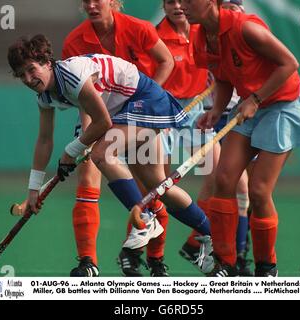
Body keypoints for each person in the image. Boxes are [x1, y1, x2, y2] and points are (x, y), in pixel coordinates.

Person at [8, 34, 214, 277]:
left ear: (47, 62)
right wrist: (34, 190)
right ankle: (214, 237)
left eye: (32, 69)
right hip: (125, 112)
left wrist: (69, 152)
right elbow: (44, 140)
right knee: (158, 188)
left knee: (101, 154)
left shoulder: (70, 75)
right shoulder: (44, 96)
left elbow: (102, 122)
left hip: (144, 100)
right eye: (22, 75)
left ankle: (147, 221)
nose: (29, 79)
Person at [181, 0, 300, 276]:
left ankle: (266, 267)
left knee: (259, 191)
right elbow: (223, 77)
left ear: (212, 2)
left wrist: (256, 99)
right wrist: (217, 111)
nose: (182, 6)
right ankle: (226, 263)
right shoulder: (200, 37)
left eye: (189, 0)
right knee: (224, 180)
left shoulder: (245, 28)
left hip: (284, 104)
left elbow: (289, 63)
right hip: (251, 103)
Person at [62, 0, 175, 276]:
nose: (91, 5)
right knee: (88, 177)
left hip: (139, 117)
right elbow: (82, 99)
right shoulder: (75, 41)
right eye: (85, 1)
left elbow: (166, 60)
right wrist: (88, 139)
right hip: (97, 115)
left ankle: (154, 259)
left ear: (113, 1)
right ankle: (88, 262)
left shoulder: (139, 29)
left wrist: (148, 102)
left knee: (153, 187)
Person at [156, 0, 252, 276]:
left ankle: (220, 250)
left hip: (240, 112)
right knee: (233, 184)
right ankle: (230, 255)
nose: (233, 16)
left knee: (233, 185)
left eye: (238, 11)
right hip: (212, 114)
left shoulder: (244, 33)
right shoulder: (206, 35)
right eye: (229, 10)